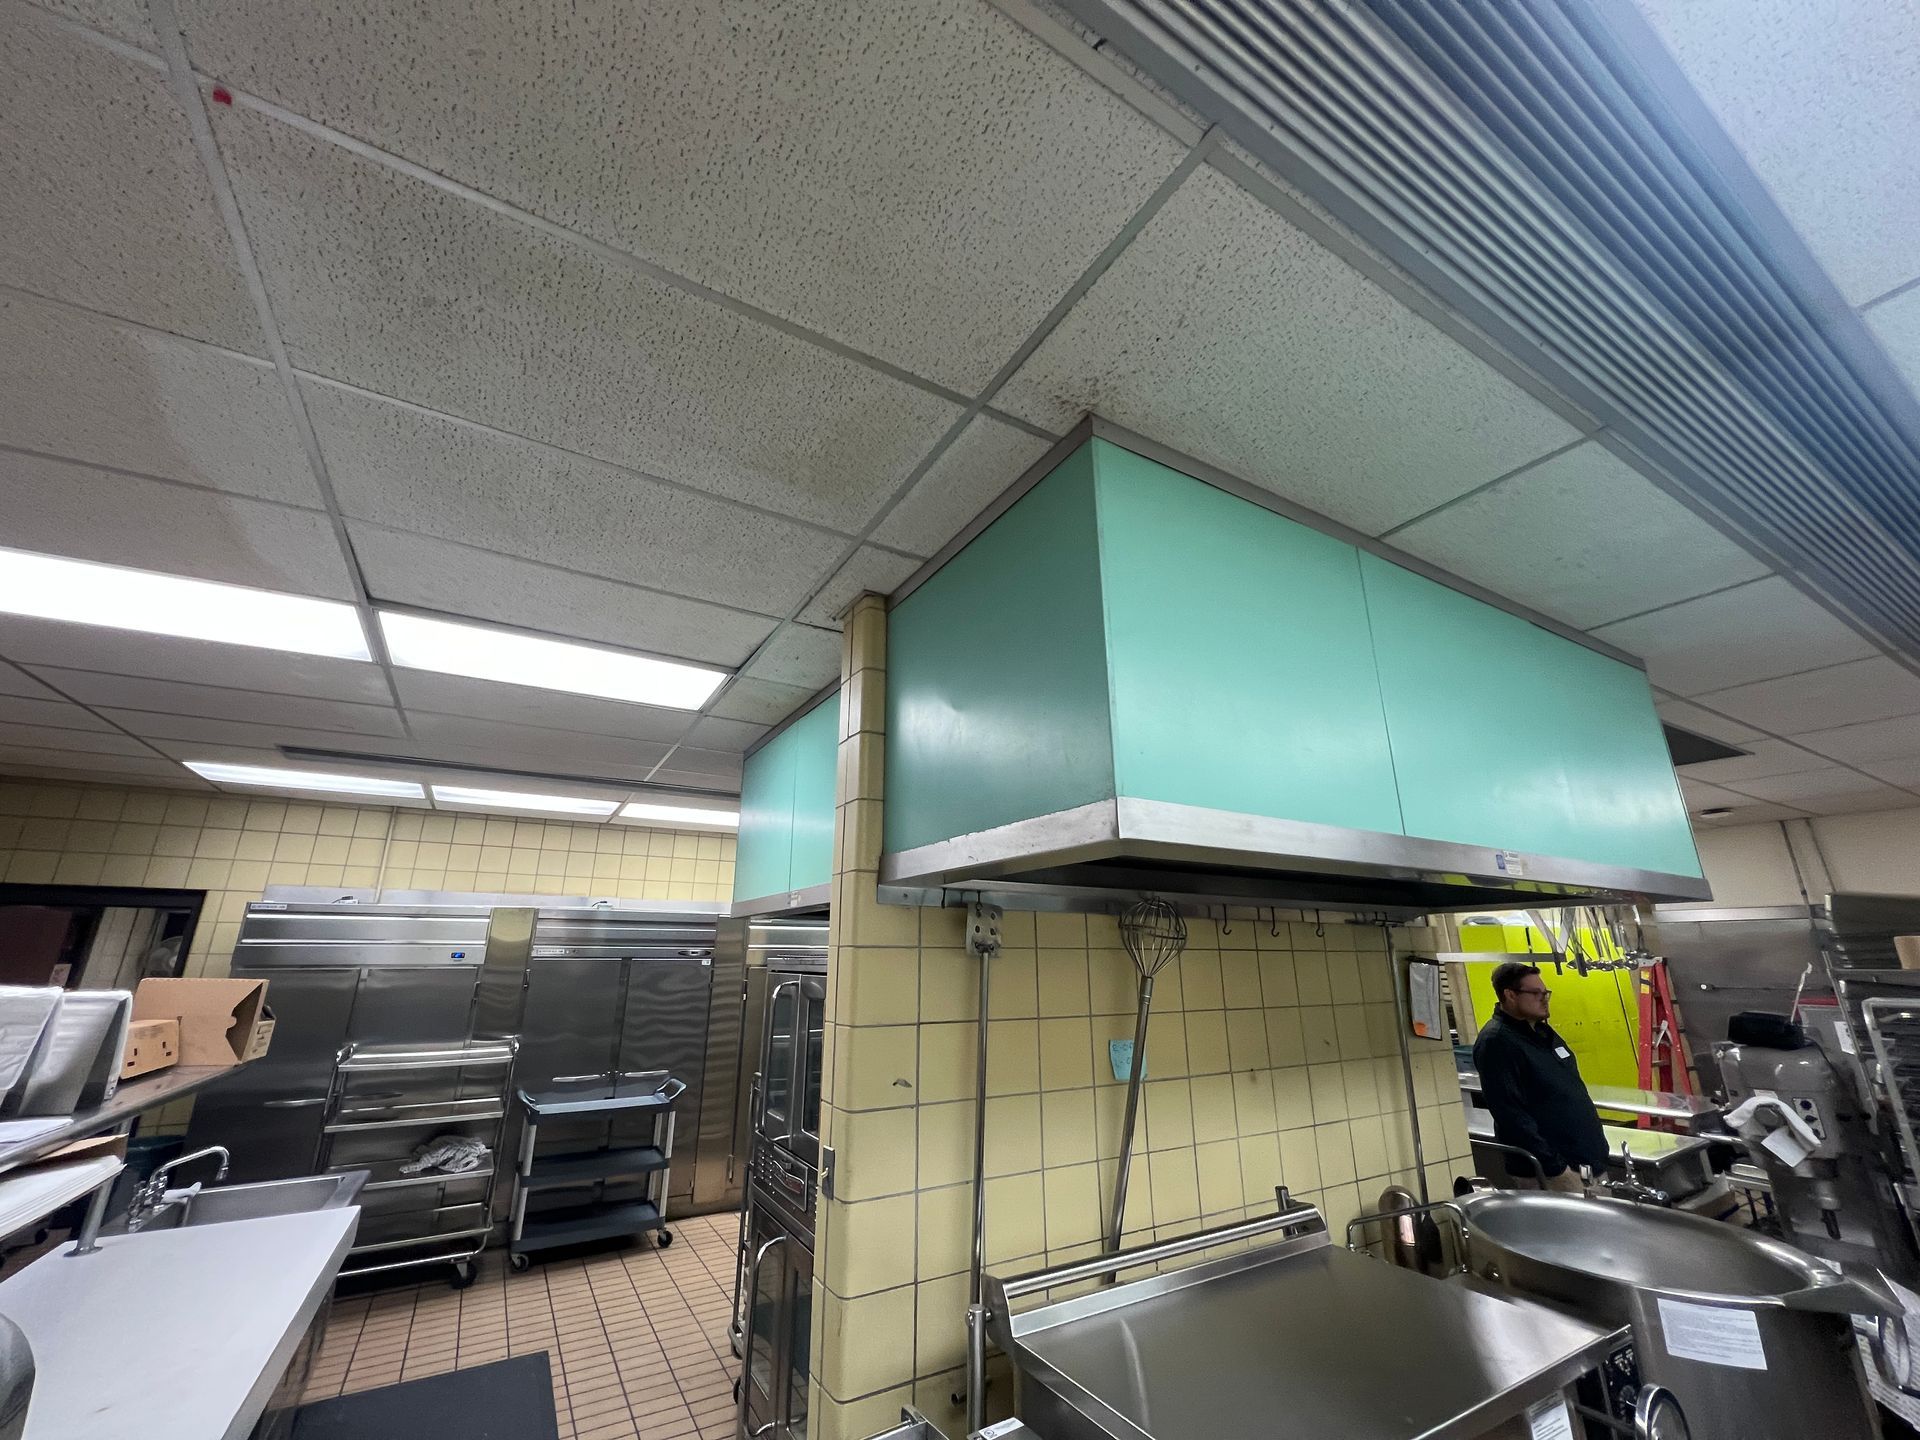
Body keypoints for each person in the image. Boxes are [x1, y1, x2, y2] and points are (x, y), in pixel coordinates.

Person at [1471, 960, 1607, 1193]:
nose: (1544, 998)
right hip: (1552, 1172)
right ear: (1510, 995)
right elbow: (1511, 1115)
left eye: (1546, 993)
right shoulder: (1497, 1041)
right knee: (1568, 1229)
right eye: (1535, 993)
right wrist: (1555, 1168)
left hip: (1585, 1161)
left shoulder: (1542, 1031)